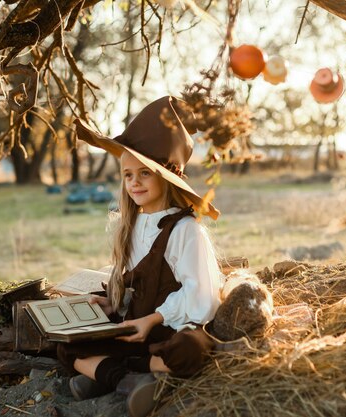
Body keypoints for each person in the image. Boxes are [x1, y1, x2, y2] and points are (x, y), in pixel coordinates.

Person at [57, 96, 222, 417]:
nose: (134, 182)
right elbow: (135, 288)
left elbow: (202, 299)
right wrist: (112, 305)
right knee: (66, 345)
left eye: (145, 173)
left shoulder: (186, 229)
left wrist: (153, 319)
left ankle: (109, 374)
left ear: (166, 176)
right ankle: (127, 381)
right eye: (128, 174)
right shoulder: (129, 225)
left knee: (190, 351)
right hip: (132, 326)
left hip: (169, 330)